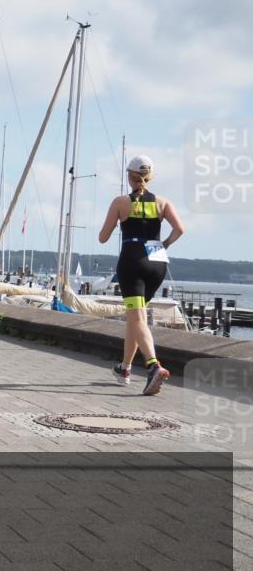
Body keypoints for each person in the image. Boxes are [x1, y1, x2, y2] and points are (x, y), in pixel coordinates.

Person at [98, 155, 184, 395]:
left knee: (137, 318)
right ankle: (124, 368)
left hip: (132, 260)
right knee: (135, 318)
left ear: (129, 176)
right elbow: (180, 229)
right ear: (150, 177)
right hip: (157, 261)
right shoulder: (163, 202)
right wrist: (163, 243)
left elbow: (103, 237)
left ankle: (153, 365)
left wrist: (118, 222)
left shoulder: (120, 202)